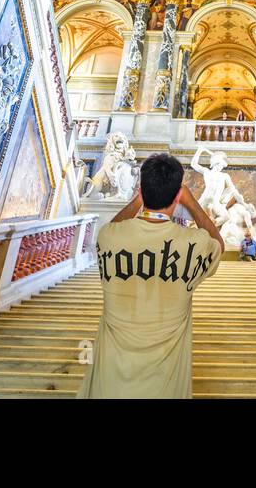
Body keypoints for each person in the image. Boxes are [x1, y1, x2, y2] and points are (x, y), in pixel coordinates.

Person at [78, 153, 224, 399]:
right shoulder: (193, 243)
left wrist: (139, 199)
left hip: (108, 386)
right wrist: (190, 202)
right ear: (178, 196)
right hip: (164, 388)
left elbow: (111, 226)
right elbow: (218, 243)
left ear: (142, 190)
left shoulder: (109, 238)